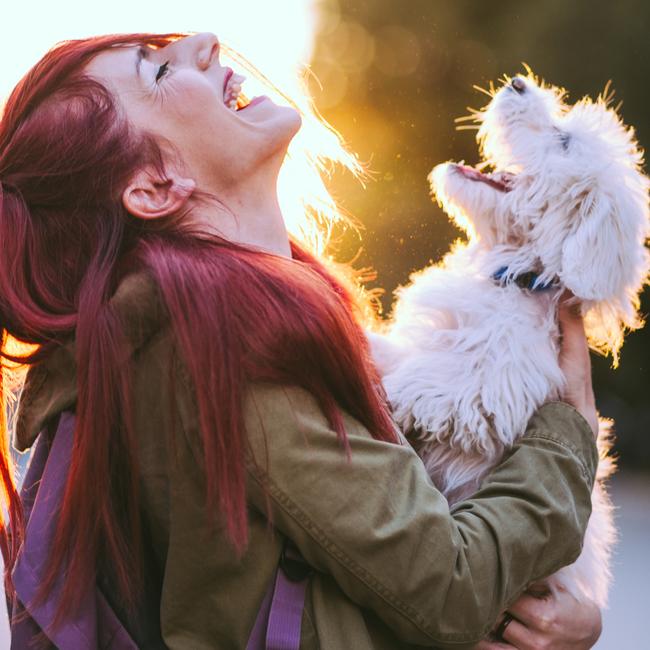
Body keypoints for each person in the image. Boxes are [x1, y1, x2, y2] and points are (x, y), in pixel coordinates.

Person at [0, 31, 602, 649]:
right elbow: (446, 584)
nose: (203, 43)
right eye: (156, 71)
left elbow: (355, 564)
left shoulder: (201, 325)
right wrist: (567, 434)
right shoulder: (226, 344)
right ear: (154, 188)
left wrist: (537, 611)